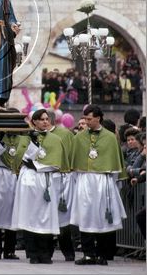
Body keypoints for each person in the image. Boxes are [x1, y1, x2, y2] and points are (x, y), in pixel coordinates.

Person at [11, 109, 69, 264]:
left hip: (46, 180)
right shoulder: (25, 138)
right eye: (41, 119)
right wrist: (32, 147)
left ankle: (46, 253)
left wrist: (37, 165)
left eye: (47, 119)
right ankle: (32, 253)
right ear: (34, 121)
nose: (45, 121)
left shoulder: (55, 139)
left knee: (46, 217)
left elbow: (56, 163)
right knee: (30, 216)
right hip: (29, 181)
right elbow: (19, 159)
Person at [70, 105, 127, 266]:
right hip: (85, 180)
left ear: (98, 118)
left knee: (102, 217)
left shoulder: (110, 137)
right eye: (85, 119)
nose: (86, 122)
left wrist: (113, 184)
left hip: (103, 180)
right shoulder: (79, 137)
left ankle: (102, 254)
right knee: (86, 216)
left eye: (89, 119)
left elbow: (115, 163)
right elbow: (74, 162)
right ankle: (88, 254)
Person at [0, 131, 28, 260]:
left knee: (12, 214)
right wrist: (0, 141)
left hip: (14, 175)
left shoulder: (22, 137)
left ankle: (10, 250)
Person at [47, 110, 75, 262]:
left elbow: (73, 153)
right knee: (47, 216)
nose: (43, 122)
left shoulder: (65, 134)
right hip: (45, 179)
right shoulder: (37, 135)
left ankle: (68, 251)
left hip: (63, 177)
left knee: (63, 218)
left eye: (46, 119)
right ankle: (47, 252)